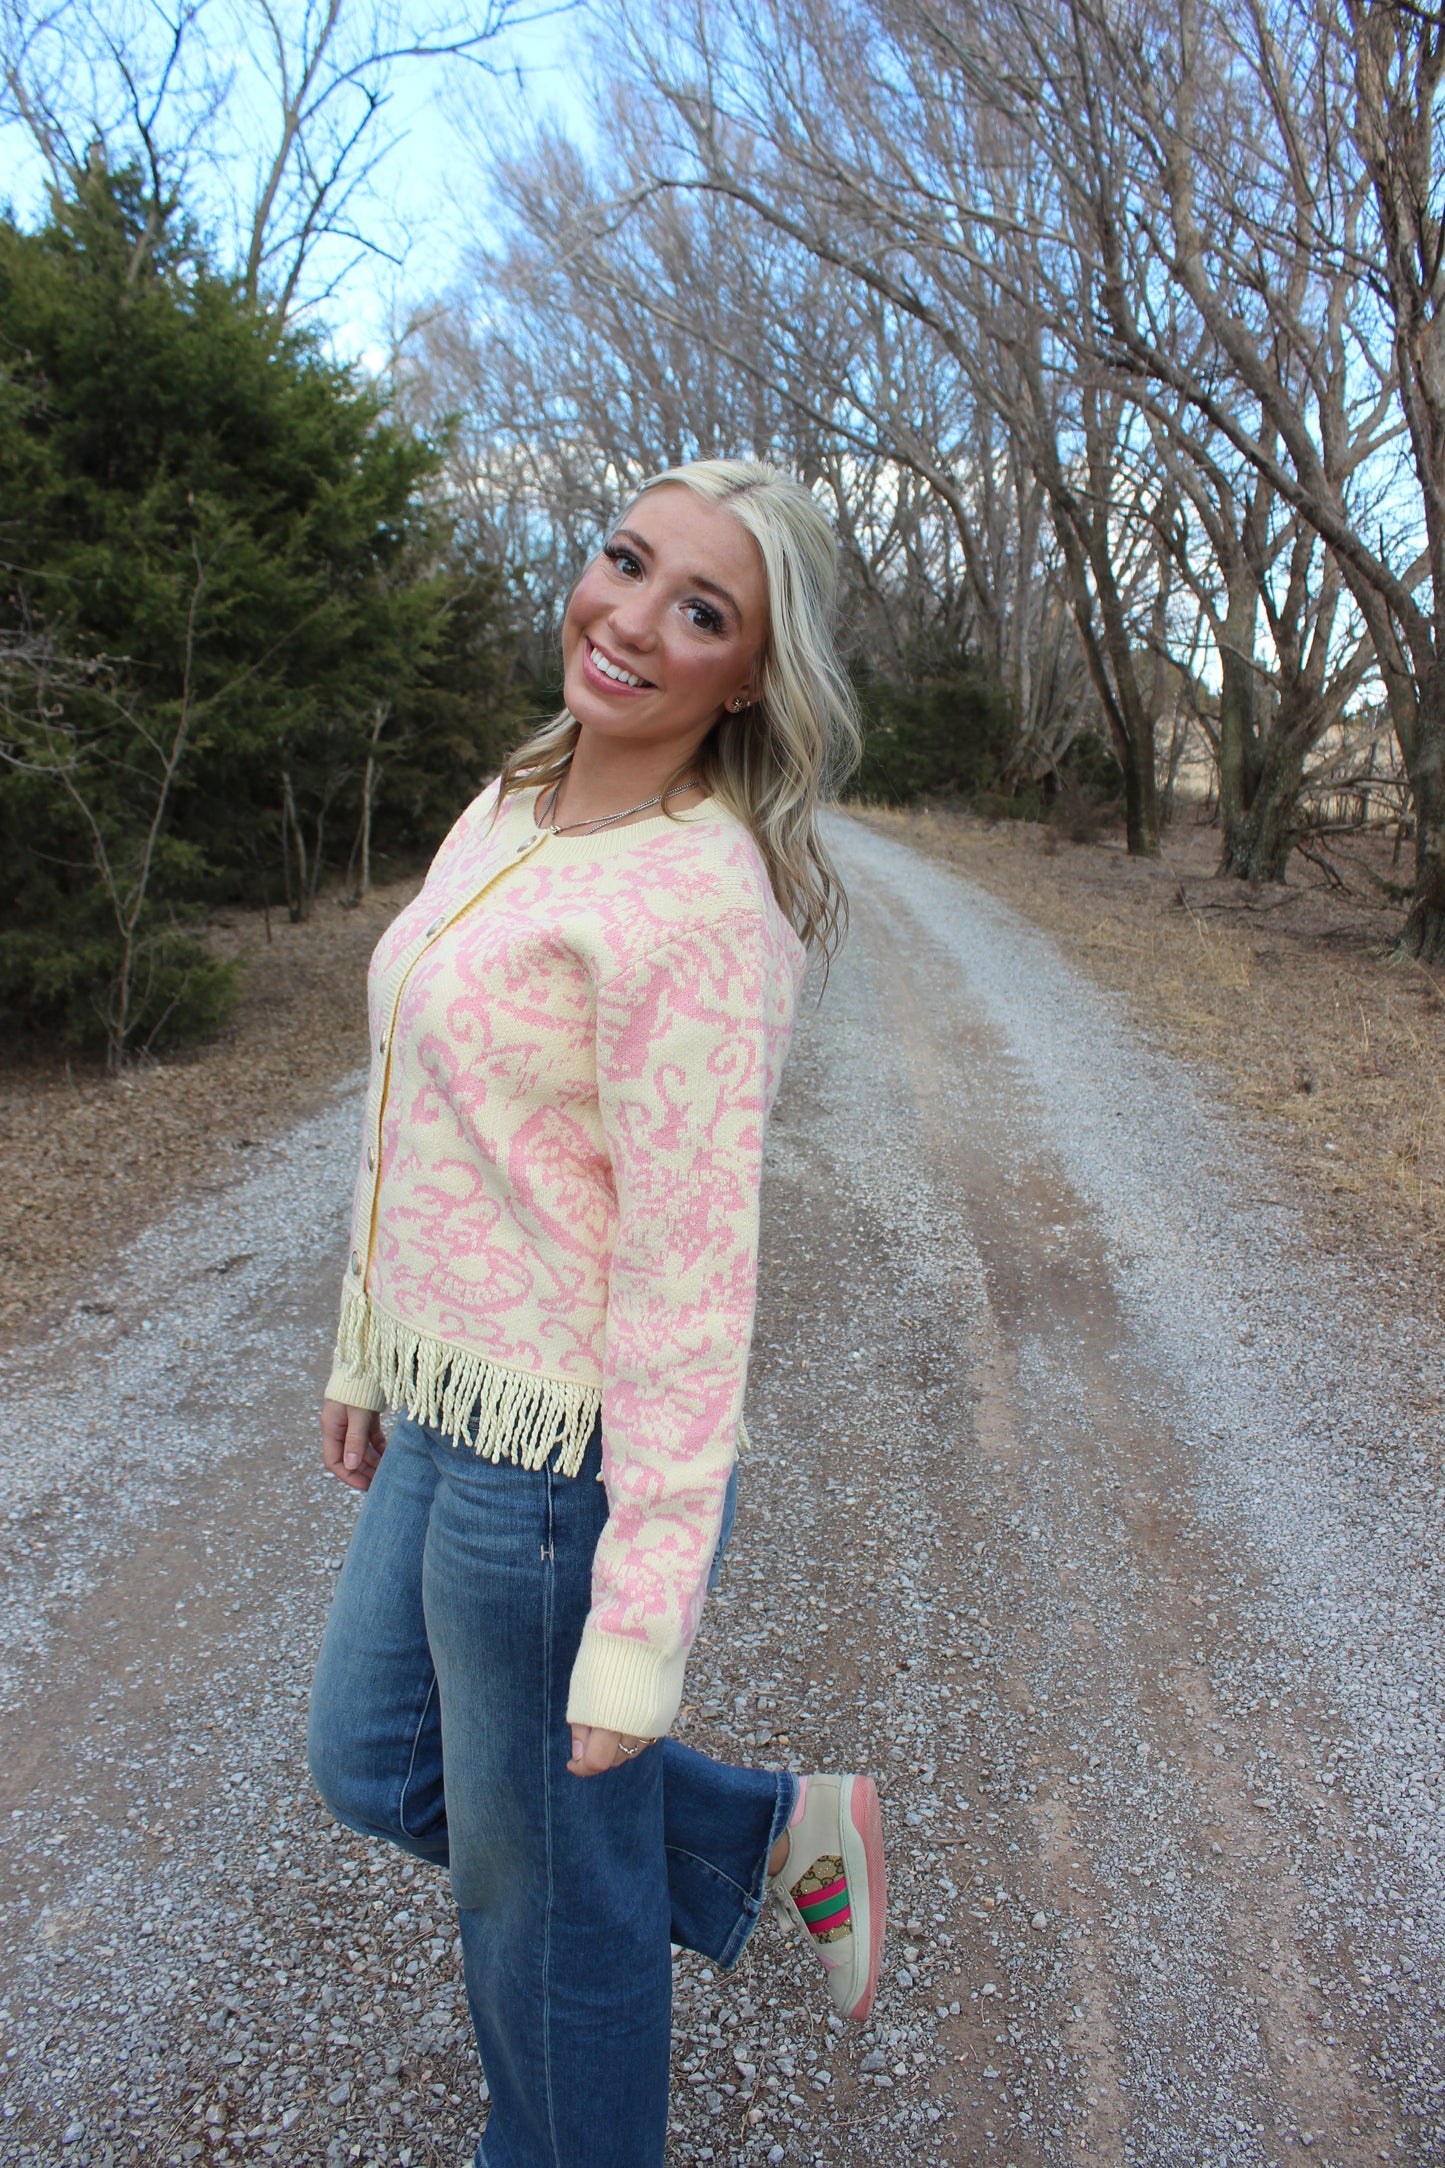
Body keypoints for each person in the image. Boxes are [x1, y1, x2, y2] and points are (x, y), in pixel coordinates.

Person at [306, 457, 887, 2168]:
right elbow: (416, 1085)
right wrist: (364, 1337)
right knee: (371, 1762)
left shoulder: (706, 910)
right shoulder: (517, 792)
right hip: (447, 1403)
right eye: (622, 564)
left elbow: (696, 1297)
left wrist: (641, 1625)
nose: (629, 619)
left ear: (753, 674)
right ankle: (770, 1831)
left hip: (553, 1475)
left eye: (698, 608)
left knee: (543, 1918)